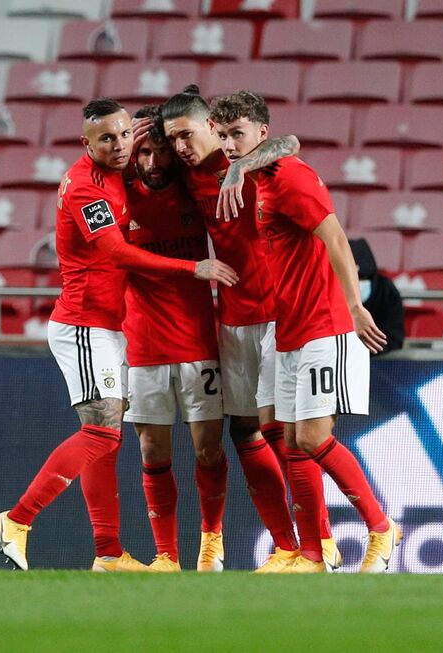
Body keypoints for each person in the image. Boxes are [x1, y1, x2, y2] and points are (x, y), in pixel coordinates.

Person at [0, 98, 237, 572]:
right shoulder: (86, 186)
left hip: (108, 327)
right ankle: (17, 520)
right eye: (108, 139)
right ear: (86, 143)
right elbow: (117, 253)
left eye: (125, 135)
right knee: (102, 434)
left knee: (108, 440)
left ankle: (108, 552)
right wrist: (194, 267)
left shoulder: (118, 174)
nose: (120, 146)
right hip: (85, 325)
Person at [209, 90, 402, 573]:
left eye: (238, 134)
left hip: (323, 325)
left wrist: (354, 306)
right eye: (224, 135)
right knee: (287, 438)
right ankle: (313, 554)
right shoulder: (260, 177)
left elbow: (336, 237)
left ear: (261, 132)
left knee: (313, 439)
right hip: (288, 328)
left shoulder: (290, 177)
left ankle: (381, 527)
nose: (230, 144)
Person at [160, 86, 324, 572]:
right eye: (173, 140)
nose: (181, 147)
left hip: (279, 310)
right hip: (233, 317)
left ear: (212, 127)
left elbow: (289, 142)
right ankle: (286, 546)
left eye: (187, 135)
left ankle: (320, 541)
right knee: (244, 432)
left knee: (286, 433)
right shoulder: (187, 173)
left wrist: (239, 167)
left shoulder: (250, 158)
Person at [122, 106, 236, 571]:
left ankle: (211, 540)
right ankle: (166, 555)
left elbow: (257, 151)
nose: (152, 163)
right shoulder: (118, 195)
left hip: (196, 340)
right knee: (152, 452)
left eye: (161, 151)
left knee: (208, 450)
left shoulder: (193, 187)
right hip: (143, 342)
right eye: (143, 152)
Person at [349, 238, 405, 355]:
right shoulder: (330, 292)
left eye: (363, 277)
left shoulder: (385, 290)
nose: (358, 284)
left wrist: (368, 349)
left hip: (381, 362)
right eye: (353, 278)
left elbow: (395, 336)